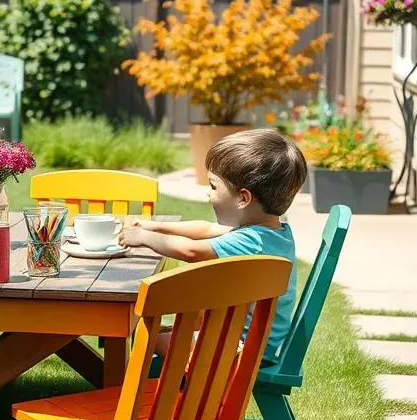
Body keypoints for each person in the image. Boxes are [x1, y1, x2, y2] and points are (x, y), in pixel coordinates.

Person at [117, 128, 307, 361]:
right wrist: (153, 226)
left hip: (240, 351)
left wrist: (144, 238)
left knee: (146, 335)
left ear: (243, 198)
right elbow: (205, 229)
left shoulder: (251, 242)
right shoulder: (271, 231)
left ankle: (141, 389)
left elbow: (191, 250)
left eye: (214, 186)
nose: (208, 194)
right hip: (255, 344)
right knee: (168, 329)